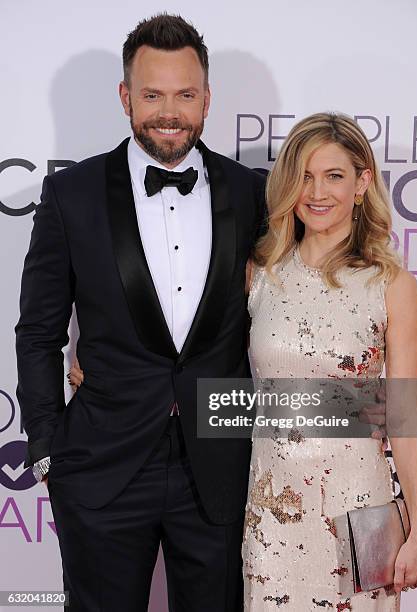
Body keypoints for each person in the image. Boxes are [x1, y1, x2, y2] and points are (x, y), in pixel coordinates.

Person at [15, 14, 266, 612]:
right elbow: (39, 331)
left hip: (220, 468)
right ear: (126, 96)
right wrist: (48, 446)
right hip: (100, 466)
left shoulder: (252, 192)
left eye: (185, 95)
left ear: (207, 99)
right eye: (152, 94)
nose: (169, 112)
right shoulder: (70, 195)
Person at [242, 112, 417, 610]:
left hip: (356, 508)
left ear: (362, 183)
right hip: (272, 510)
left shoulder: (391, 285)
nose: (317, 192)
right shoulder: (260, 275)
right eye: (304, 176)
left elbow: (406, 411)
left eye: (334, 175)